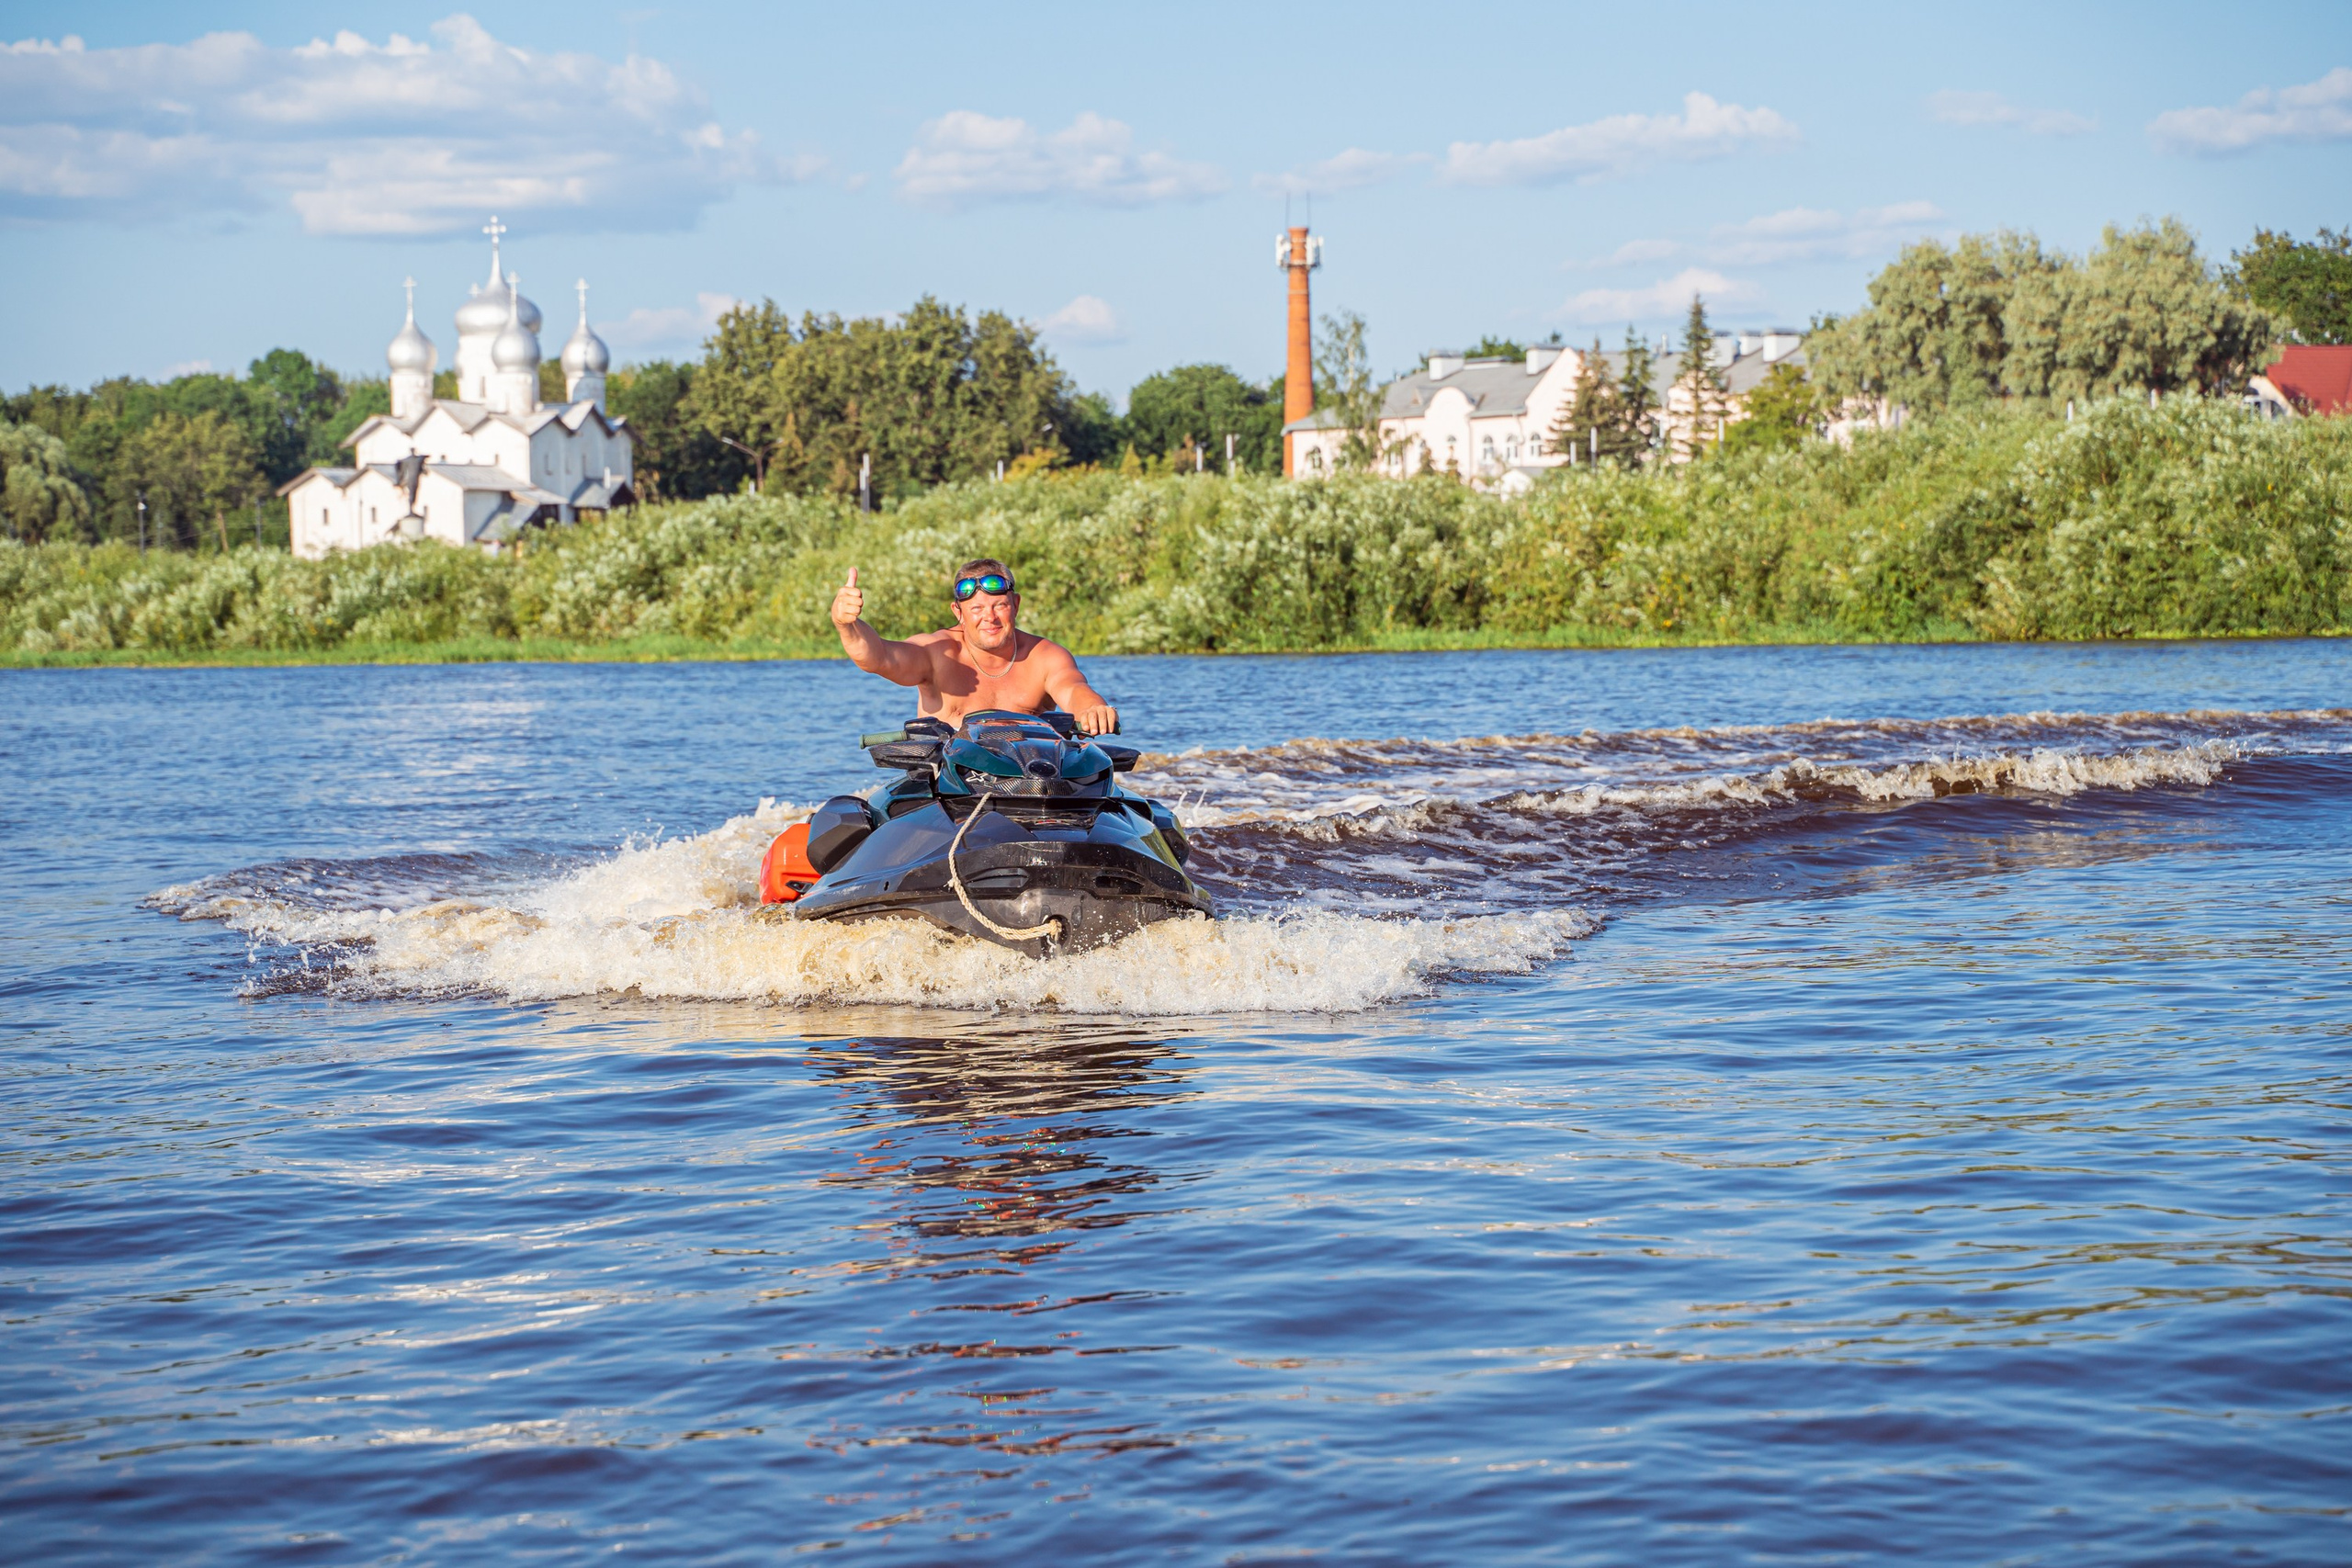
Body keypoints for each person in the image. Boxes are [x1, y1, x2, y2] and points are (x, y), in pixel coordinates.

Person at [830, 558, 1120, 734]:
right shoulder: (935, 653)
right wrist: (847, 625)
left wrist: (1093, 710)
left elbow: (1073, 689)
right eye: (977, 608)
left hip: (1029, 782)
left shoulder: (1045, 656)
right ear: (959, 612)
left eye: (999, 605)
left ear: (1016, 605)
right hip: (949, 788)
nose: (989, 618)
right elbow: (878, 657)